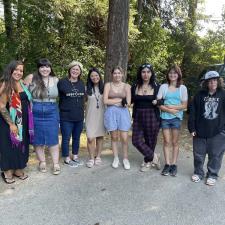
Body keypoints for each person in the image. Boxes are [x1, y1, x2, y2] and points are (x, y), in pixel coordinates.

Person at [188, 71, 225, 186]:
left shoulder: (223, 94)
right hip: (200, 131)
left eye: (215, 80)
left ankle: (212, 174)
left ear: (218, 81)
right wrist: (192, 128)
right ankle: (198, 173)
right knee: (198, 154)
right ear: (206, 83)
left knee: (216, 155)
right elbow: (193, 112)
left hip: (218, 131)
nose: (213, 82)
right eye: (210, 81)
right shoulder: (199, 95)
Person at [25, 58, 60, 175]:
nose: (45, 69)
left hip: (52, 110)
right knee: (37, 138)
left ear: (50, 68)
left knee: (53, 136)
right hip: (36, 109)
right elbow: (20, 90)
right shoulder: (31, 78)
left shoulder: (56, 80)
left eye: (47, 67)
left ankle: (55, 163)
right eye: (42, 67)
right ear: (38, 68)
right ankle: (42, 162)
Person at [0, 60, 33, 183]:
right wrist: (11, 124)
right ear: (11, 70)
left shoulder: (22, 84)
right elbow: (2, 105)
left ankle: (18, 168)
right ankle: (7, 171)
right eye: (17, 69)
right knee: (8, 145)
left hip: (23, 121)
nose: (19, 72)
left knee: (21, 143)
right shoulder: (6, 84)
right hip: (9, 121)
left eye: (21, 70)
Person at [157, 65, 188, 176]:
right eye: (170, 73)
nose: (172, 75)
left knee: (175, 142)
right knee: (166, 141)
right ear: (168, 74)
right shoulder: (163, 87)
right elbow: (159, 103)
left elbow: (184, 105)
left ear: (178, 74)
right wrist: (170, 110)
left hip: (177, 118)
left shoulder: (183, 88)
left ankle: (174, 165)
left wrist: (171, 108)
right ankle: (167, 164)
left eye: (175, 73)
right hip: (165, 118)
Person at [131, 63, 161, 172]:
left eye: (148, 72)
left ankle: (148, 161)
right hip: (138, 115)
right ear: (140, 73)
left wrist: (157, 101)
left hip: (152, 115)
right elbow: (130, 100)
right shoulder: (135, 86)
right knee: (136, 140)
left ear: (151, 73)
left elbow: (163, 100)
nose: (145, 74)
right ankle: (154, 157)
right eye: (143, 72)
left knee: (150, 140)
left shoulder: (157, 86)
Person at [58, 61, 85, 167]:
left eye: (77, 69)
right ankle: (66, 158)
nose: (75, 71)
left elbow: (84, 99)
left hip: (79, 116)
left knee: (77, 137)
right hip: (66, 116)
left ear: (80, 72)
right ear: (69, 70)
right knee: (66, 138)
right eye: (73, 69)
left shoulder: (81, 83)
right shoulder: (62, 82)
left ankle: (75, 156)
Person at [103, 66, 131, 170]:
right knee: (114, 137)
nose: (117, 75)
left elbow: (127, 103)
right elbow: (105, 101)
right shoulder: (108, 85)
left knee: (124, 138)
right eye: (115, 73)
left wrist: (114, 101)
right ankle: (116, 158)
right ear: (112, 74)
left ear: (122, 74)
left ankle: (125, 158)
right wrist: (119, 100)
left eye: (119, 73)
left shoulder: (127, 86)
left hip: (123, 113)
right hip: (110, 113)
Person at [85, 67, 105, 168]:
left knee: (100, 136)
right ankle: (91, 158)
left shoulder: (105, 88)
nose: (94, 77)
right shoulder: (86, 89)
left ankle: (98, 157)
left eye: (96, 75)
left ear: (99, 76)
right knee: (90, 138)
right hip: (90, 116)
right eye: (92, 76)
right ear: (89, 77)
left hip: (101, 115)